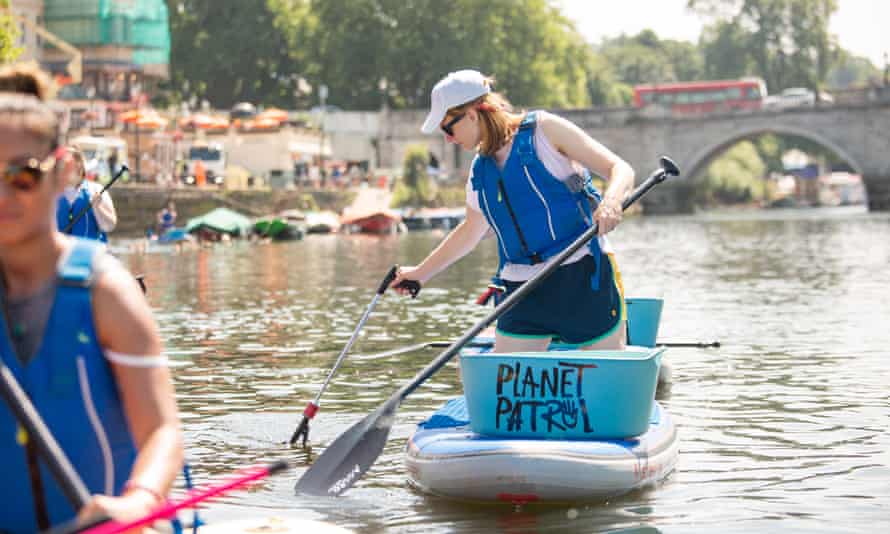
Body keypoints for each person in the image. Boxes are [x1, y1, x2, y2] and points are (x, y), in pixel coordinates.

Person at [0, 91, 183, 531]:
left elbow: (163, 432)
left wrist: (139, 501)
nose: (4, 194)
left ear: (62, 171)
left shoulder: (107, 291)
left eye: (22, 175)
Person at [391, 70, 635, 352]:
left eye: (448, 128)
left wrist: (612, 201)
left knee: (605, 377)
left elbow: (620, 169)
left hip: (580, 273)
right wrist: (420, 274)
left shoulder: (545, 130)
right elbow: (470, 231)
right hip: (521, 288)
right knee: (503, 386)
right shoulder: (480, 172)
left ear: (472, 114)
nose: (447, 139)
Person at [57, 147, 118, 242]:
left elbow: (109, 226)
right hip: (61, 254)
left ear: (80, 167)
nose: (64, 169)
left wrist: (97, 207)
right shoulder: (50, 193)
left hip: (89, 253)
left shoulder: (96, 190)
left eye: (69, 166)